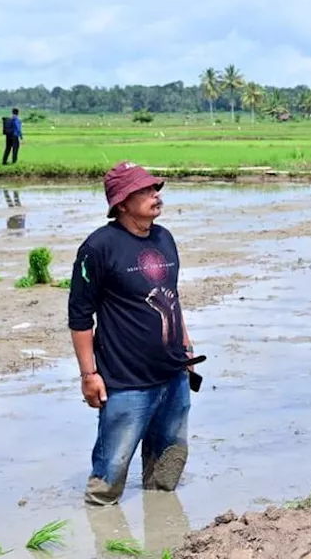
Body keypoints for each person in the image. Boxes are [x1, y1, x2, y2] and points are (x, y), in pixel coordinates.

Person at [68, 161, 197, 505]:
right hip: (126, 383)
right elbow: (80, 317)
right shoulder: (98, 248)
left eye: (155, 188)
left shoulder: (164, 238)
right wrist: (88, 374)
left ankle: (164, 539)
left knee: (166, 474)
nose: (155, 195)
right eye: (144, 191)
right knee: (107, 482)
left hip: (173, 375)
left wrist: (186, 348)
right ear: (122, 203)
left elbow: (172, 297)